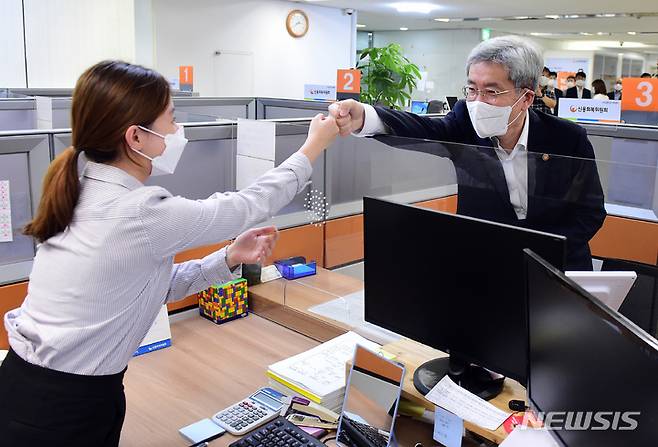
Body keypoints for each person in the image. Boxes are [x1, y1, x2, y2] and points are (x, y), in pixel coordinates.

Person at [0, 60, 339, 446]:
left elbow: (150, 288)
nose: (178, 132)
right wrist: (314, 145)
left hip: (34, 392)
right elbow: (250, 205)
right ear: (136, 138)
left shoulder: (82, 191)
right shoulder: (139, 211)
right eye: (171, 121)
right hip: (63, 410)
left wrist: (229, 257)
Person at [329, 35, 606, 270]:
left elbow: (590, 212)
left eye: (491, 92)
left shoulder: (567, 138)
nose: (478, 101)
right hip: (486, 266)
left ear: (527, 98)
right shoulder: (465, 122)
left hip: (556, 268)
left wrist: (540, 251)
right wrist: (364, 116)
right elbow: (423, 129)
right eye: (472, 89)